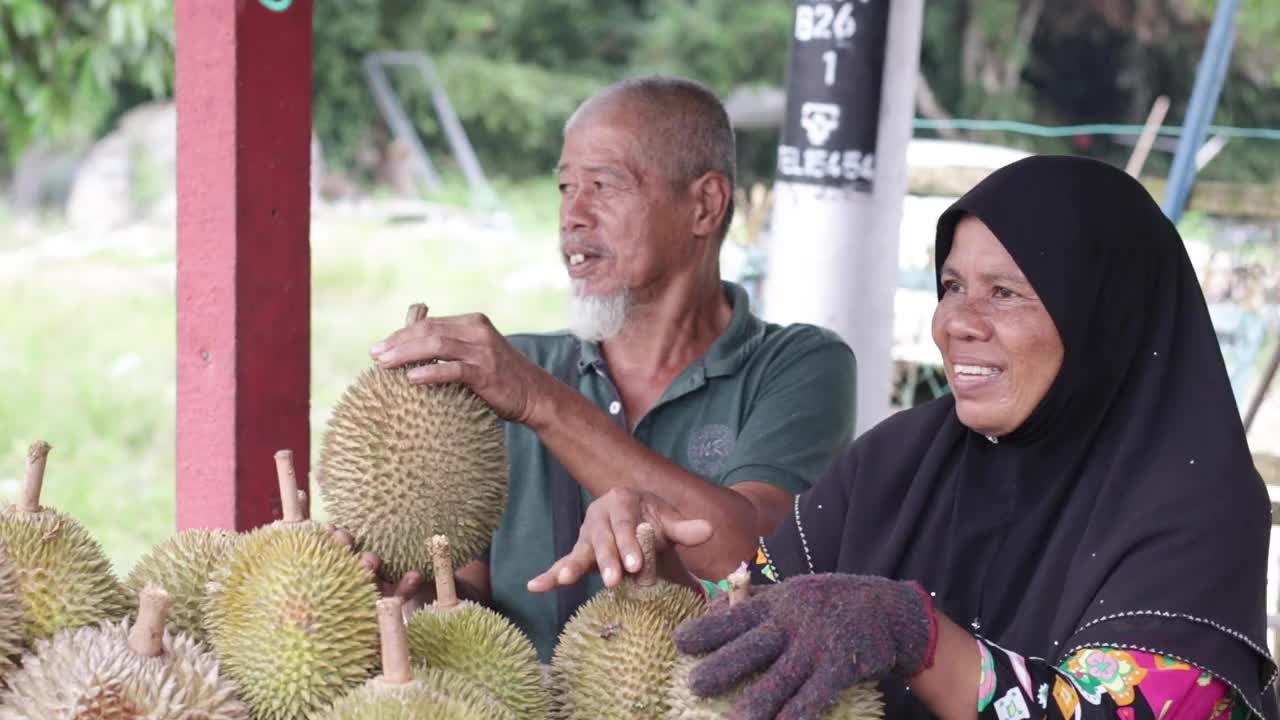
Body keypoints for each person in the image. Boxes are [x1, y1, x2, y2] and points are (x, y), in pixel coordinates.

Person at [530, 155, 1277, 720]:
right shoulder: (907, 455)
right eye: (951, 285)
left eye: (1005, 292)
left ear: (1104, 315)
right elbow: (768, 603)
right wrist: (659, 565)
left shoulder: (1195, 505)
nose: (958, 321)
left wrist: (914, 631)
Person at [367, 75, 858, 661]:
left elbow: (751, 561)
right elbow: (465, 598)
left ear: (705, 205)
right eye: (564, 187)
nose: (572, 215)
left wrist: (539, 402)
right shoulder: (500, 377)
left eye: (603, 185)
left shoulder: (798, 366)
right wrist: (406, 599)